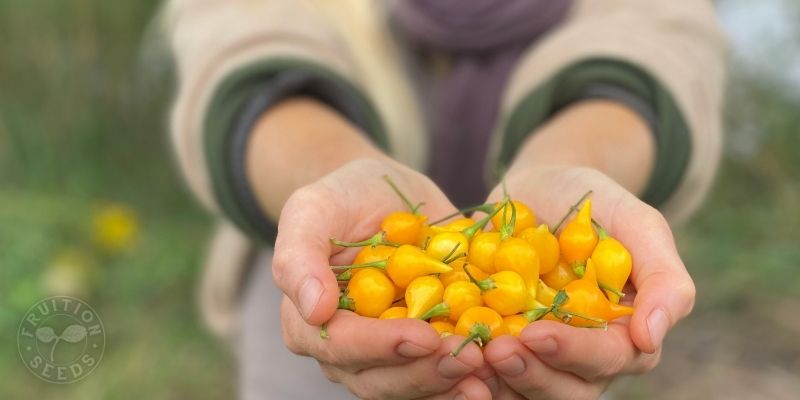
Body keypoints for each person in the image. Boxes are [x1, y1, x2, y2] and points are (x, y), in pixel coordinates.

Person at [163, 0, 726, 398]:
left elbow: (659, 41)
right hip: (315, 283)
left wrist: (574, 162)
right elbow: (239, 49)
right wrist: (331, 172)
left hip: (541, 351)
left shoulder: (545, 293)